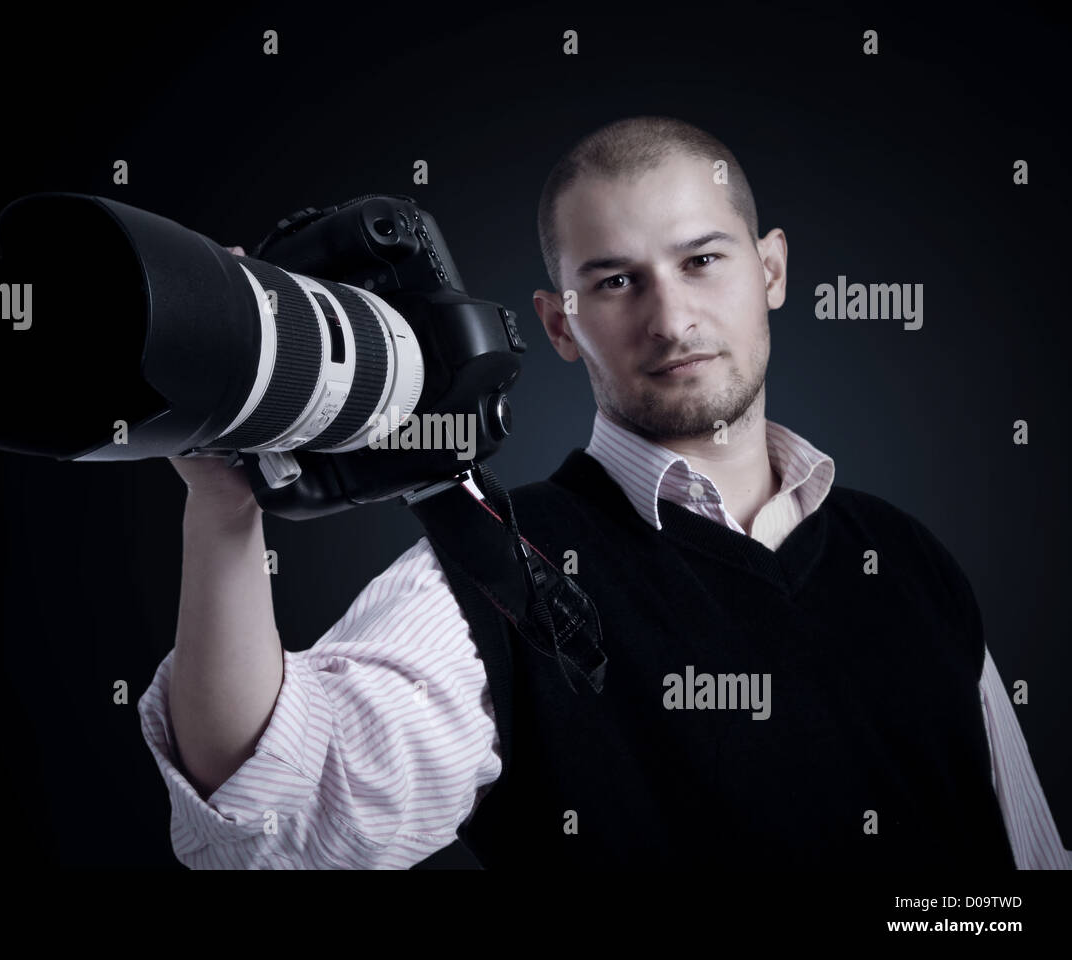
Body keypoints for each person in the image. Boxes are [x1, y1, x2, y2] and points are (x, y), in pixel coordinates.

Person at [138, 116, 1071, 869]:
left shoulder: (907, 557)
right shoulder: (496, 569)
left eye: (703, 260)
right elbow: (267, 812)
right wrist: (225, 511)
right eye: (617, 281)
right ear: (559, 322)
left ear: (773, 269)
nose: (671, 318)